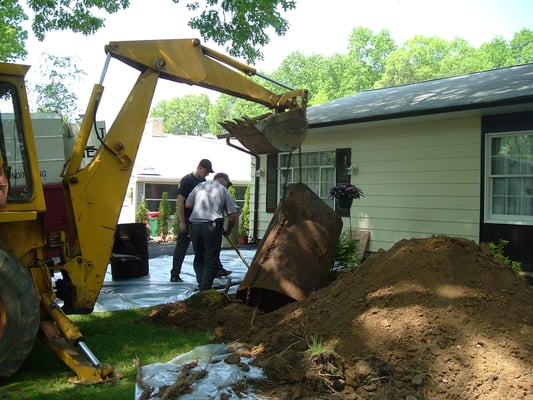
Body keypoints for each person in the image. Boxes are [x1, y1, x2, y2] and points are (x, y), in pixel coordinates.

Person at [186, 172, 238, 291]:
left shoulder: (199, 186)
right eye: (227, 183)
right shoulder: (222, 190)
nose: (227, 186)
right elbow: (233, 215)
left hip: (195, 226)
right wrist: (228, 230)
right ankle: (205, 288)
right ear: (222, 180)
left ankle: (201, 283)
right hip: (211, 226)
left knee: (199, 256)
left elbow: (188, 204)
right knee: (211, 257)